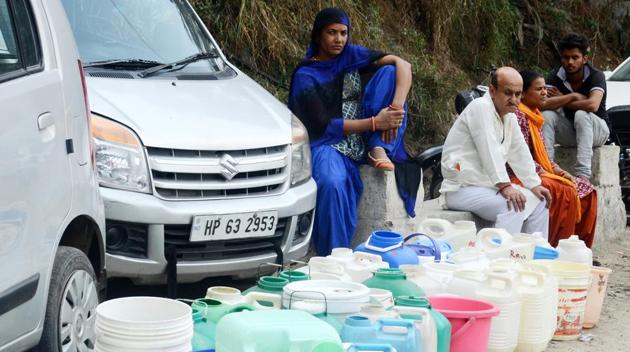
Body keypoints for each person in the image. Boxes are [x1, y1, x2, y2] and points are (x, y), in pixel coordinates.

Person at [288, 8, 414, 256]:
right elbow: (323, 126)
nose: (339, 39)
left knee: (390, 72)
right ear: (318, 36)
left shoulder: (351, 56)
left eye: (343, 33)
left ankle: (379, 148)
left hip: (364, 137)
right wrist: (376, 122)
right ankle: (334, 257)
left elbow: (403, 65)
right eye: (331, 33)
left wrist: (395, 109)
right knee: (332, 183)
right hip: (327, 142)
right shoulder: (306, 75)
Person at [440, 67, 552, 237]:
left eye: (518, 94)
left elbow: (519, 151)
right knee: (513, 205)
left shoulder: (509, 115)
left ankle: (531, 257)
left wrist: (533, 184)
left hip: (486, 187)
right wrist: (505, 186)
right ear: (492, 91)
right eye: (508, 93)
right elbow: (488, 149)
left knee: (540, 203)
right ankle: (502, 258)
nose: (514, 99)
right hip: (460, 188)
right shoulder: (480, 107)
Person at [513, 70, 597, 247]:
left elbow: (541, 153)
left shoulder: (535, 116)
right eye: (539, 89)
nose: (544, 92)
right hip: (520, 174)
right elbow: (519, 157)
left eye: (545, 87)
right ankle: (557, 247)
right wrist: (545, 172)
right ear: (524, 93)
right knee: (563, 190)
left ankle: (578, 248)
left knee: (588, 190)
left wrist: (558, 170)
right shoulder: (518, 116)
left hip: (539, 170)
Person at [542, 33, 610, 180]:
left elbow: (592, 105)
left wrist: (562, 98)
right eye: (566, 57)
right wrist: (572, 96)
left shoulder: (596, 75)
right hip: (571, 131)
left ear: (584, 59)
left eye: (575, 57)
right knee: (546, 115)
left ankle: (583, 176)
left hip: (598, 131)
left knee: (581, 114)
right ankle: (547, 166)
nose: (570, 62)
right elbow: (543, 104)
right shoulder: (555, 76)